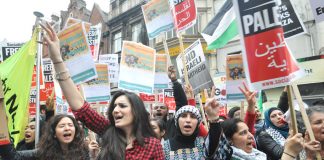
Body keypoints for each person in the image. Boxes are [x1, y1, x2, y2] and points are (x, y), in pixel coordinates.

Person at [41, 22, 164, 160]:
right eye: (115, 106)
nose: (116, 110)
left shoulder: (153, 145)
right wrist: (57, 59)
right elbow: (79, 106)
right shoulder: (108, 131)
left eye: (122, 106)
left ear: (136, 111)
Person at [163, 87, 227, 159]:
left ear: (198, 124)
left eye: (193, 117)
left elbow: (215, 143)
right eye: (183, 116)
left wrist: (213, 117)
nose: (188, 120)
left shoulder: (203, 144)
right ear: (177, 122)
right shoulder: (164, 147)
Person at [0, 114, 89, 160]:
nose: (67, 128)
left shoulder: (83, 152)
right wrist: (3, 128)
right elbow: (13, 157)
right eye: (62, 126)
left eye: (70, 125)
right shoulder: (42, 153)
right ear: (54, 133)